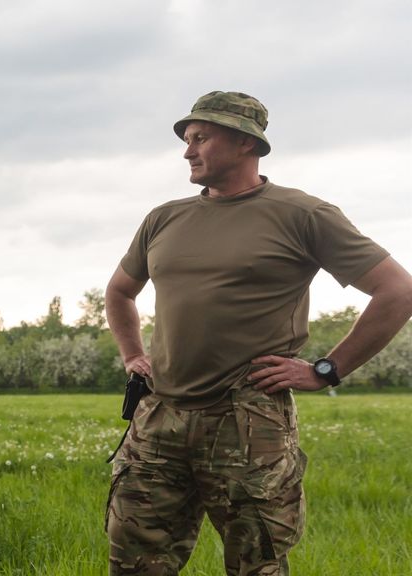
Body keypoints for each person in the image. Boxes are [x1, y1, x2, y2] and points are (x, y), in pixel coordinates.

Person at [103, 91, 412, 575]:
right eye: (187, 140)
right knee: (134, 564)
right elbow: (120, 292)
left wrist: (327, 370)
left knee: (257, 567)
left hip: (246, 422)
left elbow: (398, 290)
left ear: (246, 142)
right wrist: (132, 355)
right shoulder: (163, 218)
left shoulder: (302, 214)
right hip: (158, 419)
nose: (188, 151)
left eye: (201, 138)